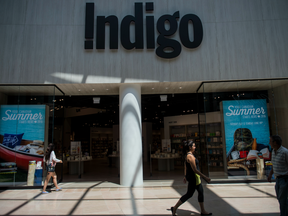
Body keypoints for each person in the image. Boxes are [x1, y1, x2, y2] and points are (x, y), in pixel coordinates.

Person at [171, 141, 212, 216]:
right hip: (194, 178)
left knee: (200, 192)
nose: (195, 147)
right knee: (189, 194)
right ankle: (175, 208)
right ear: (190, 147)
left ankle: (203, 211)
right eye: (194, 146)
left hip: (195, 178)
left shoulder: (189, 155)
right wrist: (205, 177)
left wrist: (185, 175)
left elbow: (185, 166)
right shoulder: (190, 156)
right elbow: (195, 170)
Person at [267, 135, 288, 216]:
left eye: (270, 141)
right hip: (278, 179)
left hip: (285, 179)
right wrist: (270, 174)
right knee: (280, 199)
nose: (269, 143)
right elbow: (274, 164)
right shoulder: (273, 151)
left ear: (275, 142)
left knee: (283, 200)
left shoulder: (285, 152)